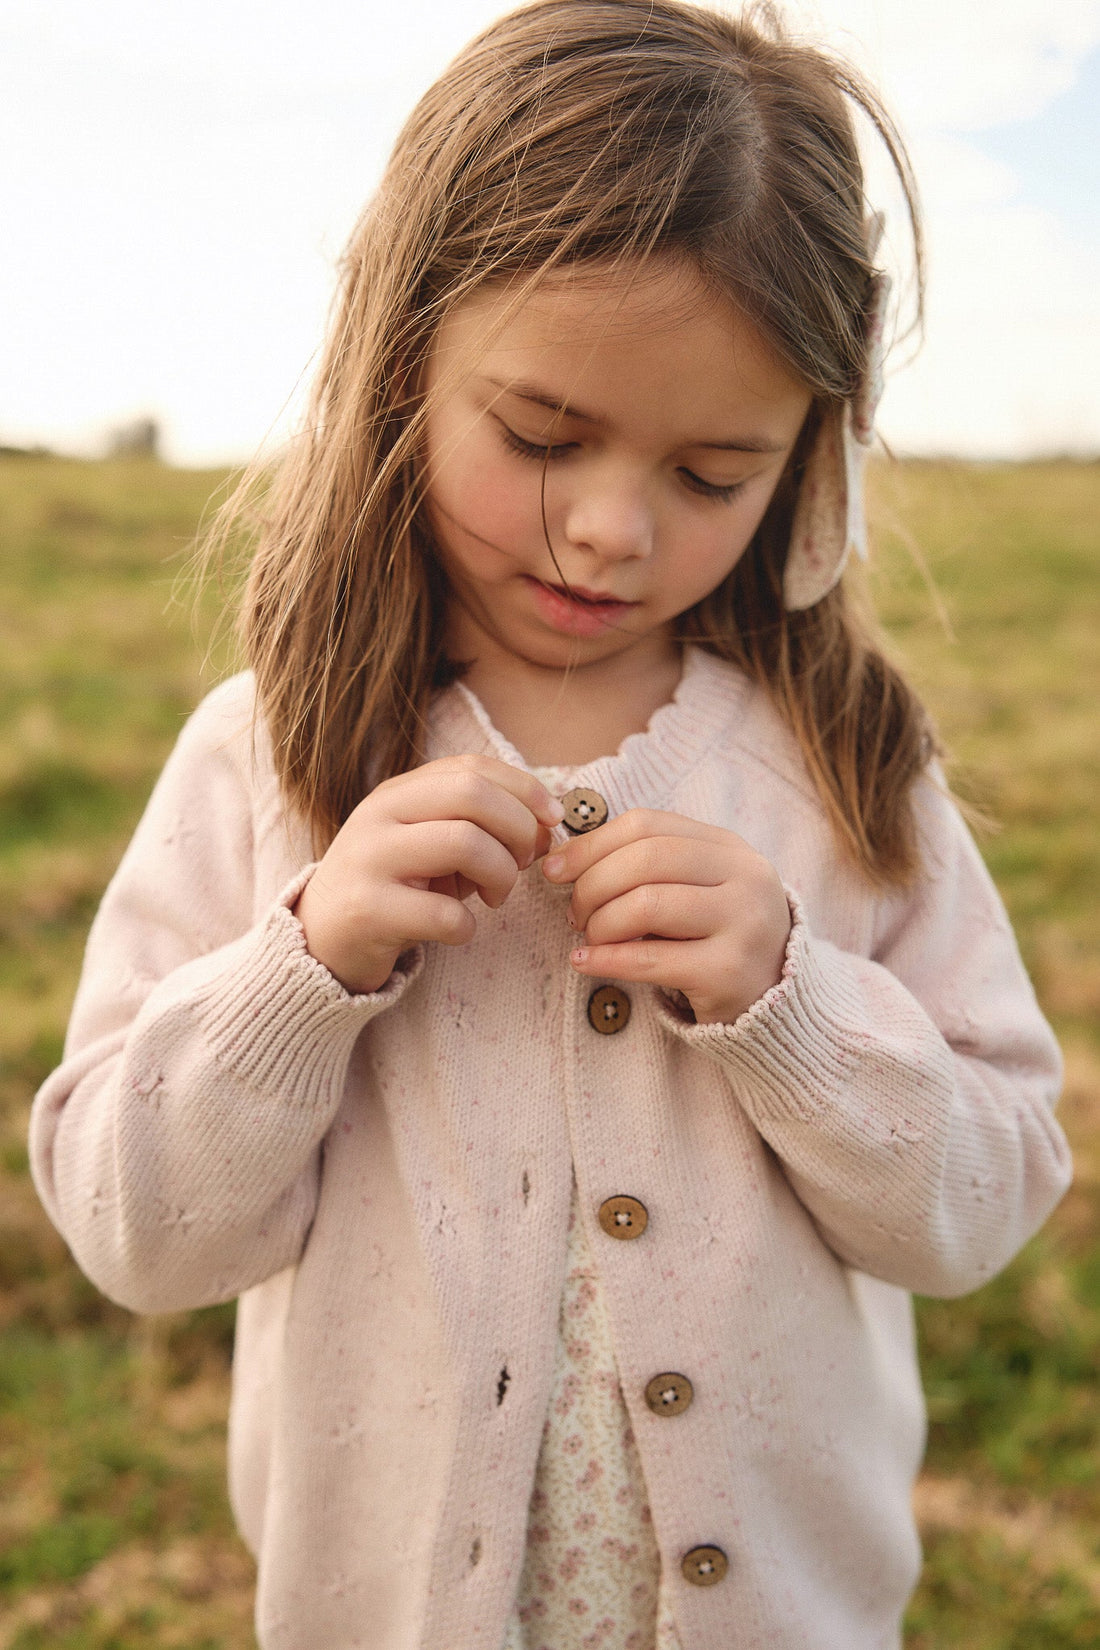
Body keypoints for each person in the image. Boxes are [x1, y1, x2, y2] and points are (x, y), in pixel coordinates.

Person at [30, 2, 1071, 1647]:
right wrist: (302, 969)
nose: (609, 529)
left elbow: (987, 1195)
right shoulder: (281, 756)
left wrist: (793, 1008)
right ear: (402, 371)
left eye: (715, 471)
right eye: (540, 436)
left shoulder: (846, 763)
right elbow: (132, 1226)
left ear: (812, 465)